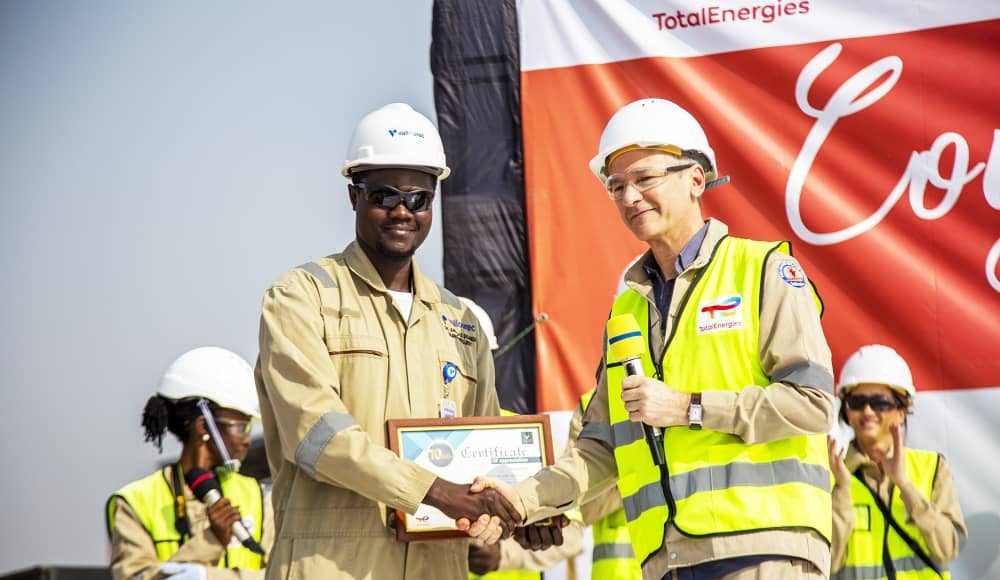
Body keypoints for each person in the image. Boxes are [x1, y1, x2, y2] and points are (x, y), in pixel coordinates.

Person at [473, 98, 837, 579]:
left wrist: (689, 407)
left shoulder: (764, 270)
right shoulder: (626, 311)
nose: (629, 197)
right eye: (616, 185)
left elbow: (813, 404)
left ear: (696, 179)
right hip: (669, 563)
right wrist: (520, 499)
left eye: (645, 178)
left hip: (764, 549)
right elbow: (602, 446)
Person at [254, 103, 519, 580]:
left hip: (437, 567)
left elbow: (486, 448)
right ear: (352, 196)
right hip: (331, 567)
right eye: (384, 195)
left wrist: (525, 511)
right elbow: (315, 433)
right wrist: (434, 490)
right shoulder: (301, 297)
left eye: (418, 198)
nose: (402, 211)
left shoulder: (461, 322)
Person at [107, 346, 273, 580]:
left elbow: (285, 575)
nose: (246, 439)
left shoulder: (261, 497)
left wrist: (207, 577)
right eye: (240, 427)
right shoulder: (135, 503)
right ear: (203, 426)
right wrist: (210, 541)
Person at [828, 345, 967, 579]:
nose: (868, 411)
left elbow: (948, 548)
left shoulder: (933, 467)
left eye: (879, 402)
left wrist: (904, 485)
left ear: (902, 411)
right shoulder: (831, 473)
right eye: (857, 402)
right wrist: (841, 489)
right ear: (847, 411)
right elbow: (827, 563)